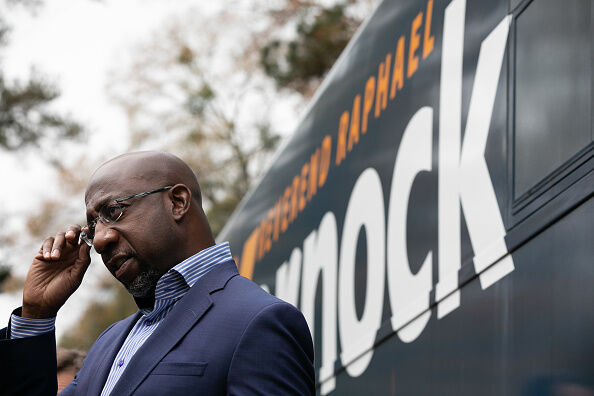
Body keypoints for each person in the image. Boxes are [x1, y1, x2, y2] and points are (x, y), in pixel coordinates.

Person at [0, 151, 315, 395]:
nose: (99, 240)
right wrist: (36, 316)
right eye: (93, 226)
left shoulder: (259, 321)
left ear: (178, 202)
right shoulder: (108, 343)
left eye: (113, 211)